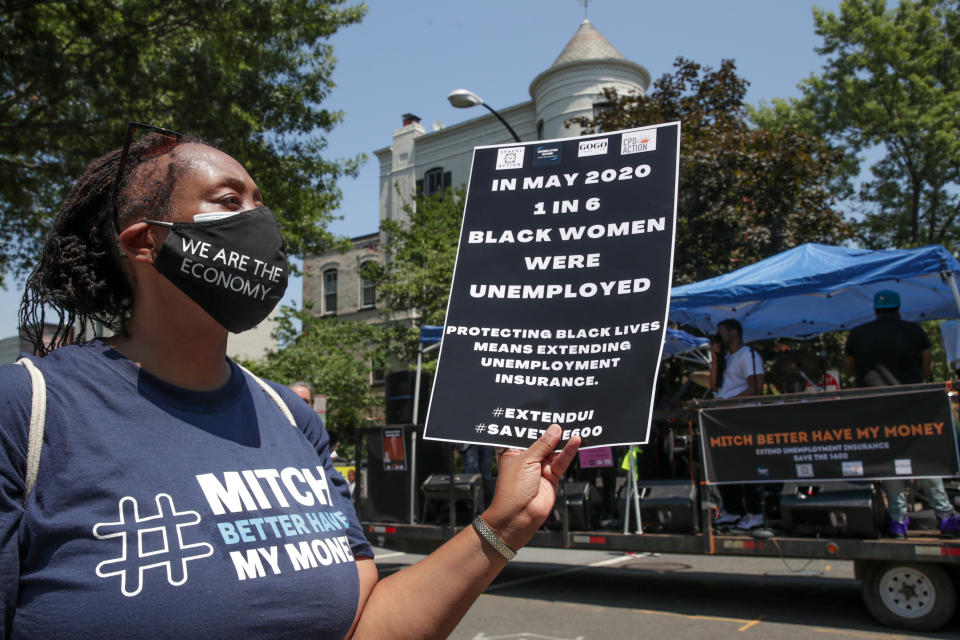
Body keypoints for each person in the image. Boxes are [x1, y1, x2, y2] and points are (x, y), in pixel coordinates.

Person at [0, 124, 581, 639]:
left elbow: (365, 625)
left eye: (260, 204)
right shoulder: (27, 411)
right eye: (230, 202)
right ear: (145, 242)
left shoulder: (290, 418)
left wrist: (506, 521)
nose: (261, 225)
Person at [845, 289, 959, 539]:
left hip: (877, 407)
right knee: (923, 458)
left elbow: (851, 369)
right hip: (913, 405)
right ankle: (946, 516)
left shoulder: (858, 334)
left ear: (875, 310)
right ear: (898, 308)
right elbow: (927, 367)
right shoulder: (914, 331)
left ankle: (898, 522)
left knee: (890, 462)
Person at [709, 319, 766, 531]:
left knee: (746, 466)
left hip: (741, 416)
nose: (719, 337)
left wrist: (730, 402)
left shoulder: (748, 354)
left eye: (722, 332)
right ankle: (733, 510)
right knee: (725, 466)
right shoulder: (726, 358)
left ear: (734, 332)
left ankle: (754, 513)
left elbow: (757, 386)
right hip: (723, 417)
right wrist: (715, 359)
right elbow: (714, 385)